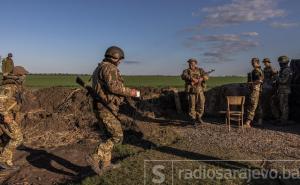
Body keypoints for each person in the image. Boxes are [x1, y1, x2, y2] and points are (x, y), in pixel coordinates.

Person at [86, 46, 140, 175]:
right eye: (120, 59)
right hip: (106, 107)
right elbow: (113, 87)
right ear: (114, 58)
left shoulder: (100, 67)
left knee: (107, 136)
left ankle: (105, 165)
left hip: (100, 105)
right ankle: (94, 157)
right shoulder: (109, 68)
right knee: (117, 136)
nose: (120, 61)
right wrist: (133, 92)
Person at [0, 66, 27, 170]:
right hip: (5, 117)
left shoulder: (15, 86)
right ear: (18, 75)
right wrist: (5, 115)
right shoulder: (9, 87)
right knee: (18, 138)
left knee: (6, 139)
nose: (25, 77)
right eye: (23, 75)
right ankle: (2, 160)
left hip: (9, 116)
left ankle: (7, 163)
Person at [181, 58, 209, 126]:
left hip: (200, 90)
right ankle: (193, 119)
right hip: (191, 90)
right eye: (190, 64)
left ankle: (199, 117)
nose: (191, 65)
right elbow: (183, 76)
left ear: (195, 64)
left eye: (192, 64)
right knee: (192, 105)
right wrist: (192, 79)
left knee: (201, 104)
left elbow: (207, 76)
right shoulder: (186, 71)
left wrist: (201, 79)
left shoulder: (200, 70)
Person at [245, 58, 264, 127]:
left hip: (255, 90)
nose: (252, 64)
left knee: (252, 105)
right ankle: (259, 121)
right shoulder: (261, 70)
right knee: (258, 106)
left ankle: (248, 122)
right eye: (252, 63)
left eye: (253, 63)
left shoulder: (256, 70)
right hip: (259, 90)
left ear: (257, 62)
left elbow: (259, 80)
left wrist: (251, 83)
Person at [274, 56, 292, 125]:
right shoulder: (283, 70)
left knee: (284, 106)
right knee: (281, 105)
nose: (279, 64)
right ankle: (281, 118)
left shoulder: (286, 70)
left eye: (280, 62)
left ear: (284, 62)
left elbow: (283, 81)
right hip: (282, 90)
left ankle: (284, 121)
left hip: (284, 91)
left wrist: (276, 75)